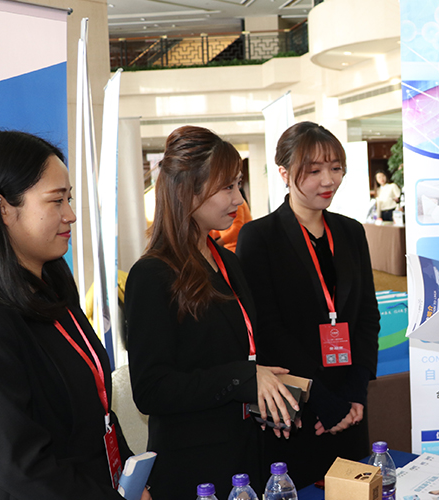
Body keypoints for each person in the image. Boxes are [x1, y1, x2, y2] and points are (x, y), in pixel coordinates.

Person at [125, 126, 299, 500]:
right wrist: (242, 377)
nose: (238, 198)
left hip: (245, 454)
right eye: (227, 187)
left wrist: (262, 397)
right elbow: (152, 390)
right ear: (186, 191)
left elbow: (239, 350)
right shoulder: (152, 274)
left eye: (239, 184)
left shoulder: (228, 262)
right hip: (194, 467)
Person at [0, 130, 148, 499]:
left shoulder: (55, 289)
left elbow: (98, 411)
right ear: (2, 208)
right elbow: (20, 465)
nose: (70, 215)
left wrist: (130, 479)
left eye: (69, 199)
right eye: (56, 200)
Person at [236, 121, 380, 489]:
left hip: (349, 406)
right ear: (284, 173)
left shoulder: (351, 231)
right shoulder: (259, 236)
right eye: (313, 171)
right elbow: (267, 329)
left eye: (336, 168)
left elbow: (367, 315)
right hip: (295, 407)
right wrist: (322, 399)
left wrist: (355, 393)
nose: (328, 180)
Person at [210, 187, 252, 252]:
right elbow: (221, 230)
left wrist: (217, 244)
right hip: (229, 248)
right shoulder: (225, 204)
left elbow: (237, 229)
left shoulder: (236, 204)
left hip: (239, 249)